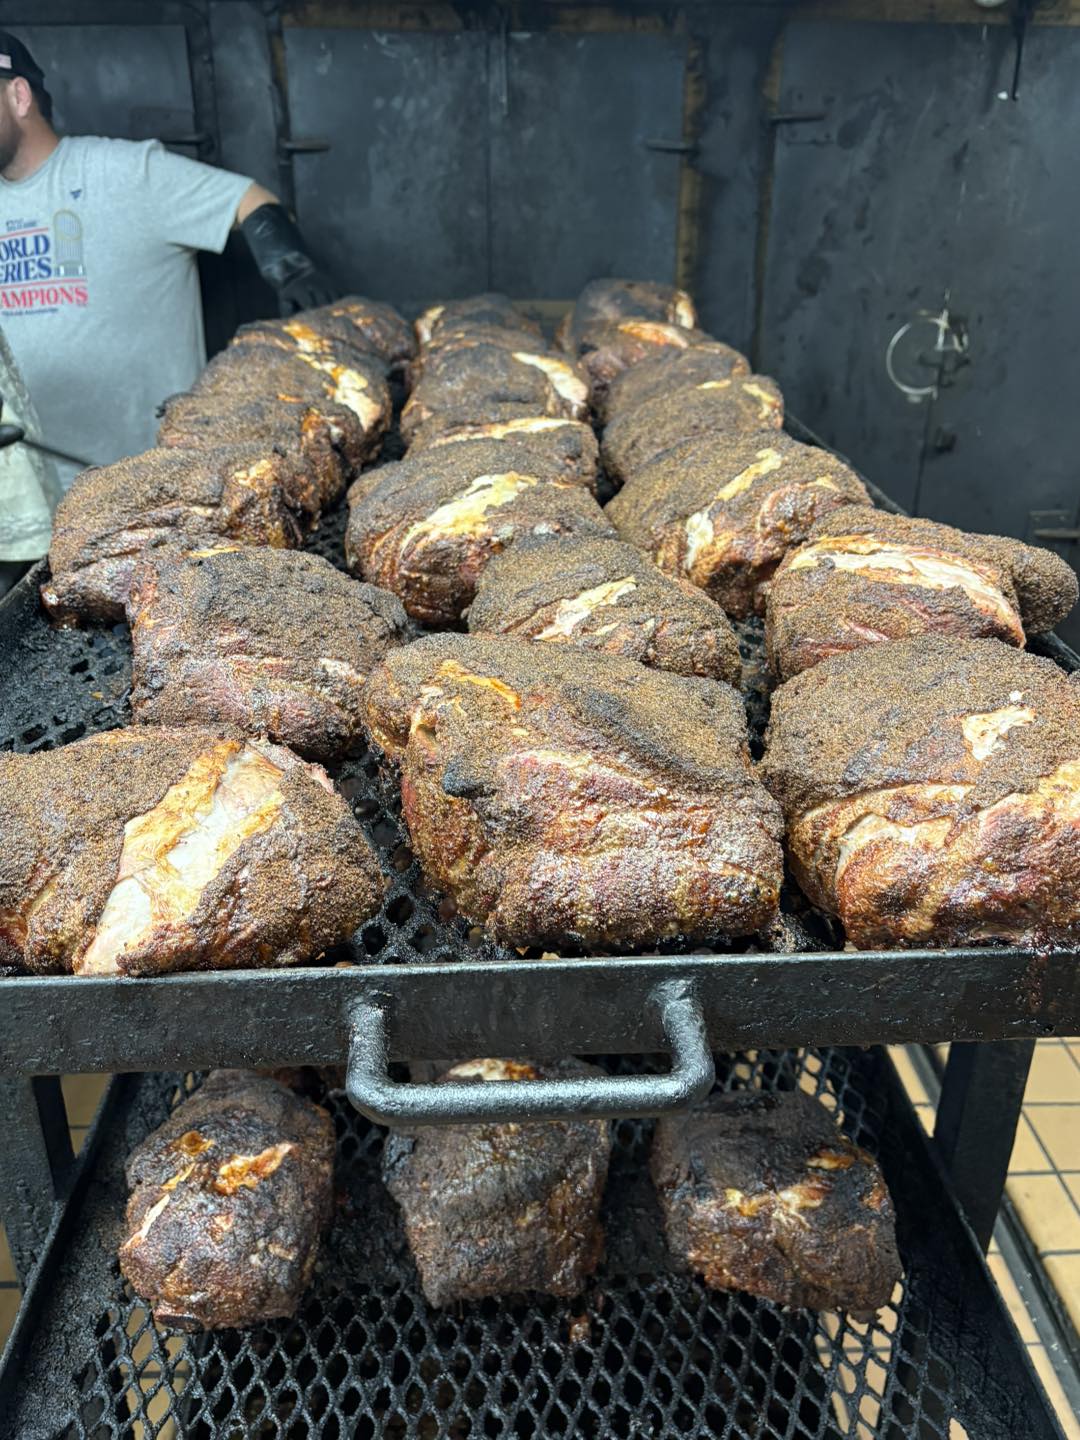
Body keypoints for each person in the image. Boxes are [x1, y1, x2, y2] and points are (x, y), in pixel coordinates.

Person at [0, 30, 335, 490]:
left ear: (19, 96)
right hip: (29, 490)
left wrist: (289, 265)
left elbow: (247, 199)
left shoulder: (123, 173)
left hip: (157, 483)